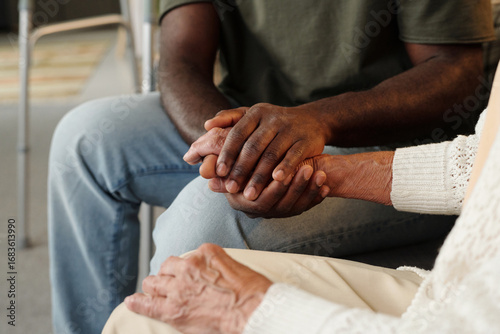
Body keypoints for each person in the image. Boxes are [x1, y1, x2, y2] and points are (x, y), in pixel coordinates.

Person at [47, 1, 494, 333]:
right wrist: (236, 147)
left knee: (203, 217)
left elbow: (452, 71)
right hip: (242, 113)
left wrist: (318, 120)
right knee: (85, 139)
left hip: (391, 140)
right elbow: (181, 57)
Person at [102, 78, 500, 333]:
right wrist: (309, 168)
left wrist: (254, 310)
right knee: (154, 307)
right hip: (451, 286)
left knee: (177, 271)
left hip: (465, 316)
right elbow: (480, 166)